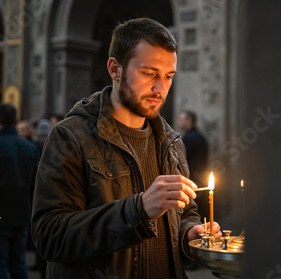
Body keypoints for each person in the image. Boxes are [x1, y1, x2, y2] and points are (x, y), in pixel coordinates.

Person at [31, 18, 221, 279]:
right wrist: (138, 210)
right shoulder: (70, 137)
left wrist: (190, 233)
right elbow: (50, 237)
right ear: (114, 68)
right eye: (149, 73)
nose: (160, 88)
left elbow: (185, 214)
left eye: (168, 76)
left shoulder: (171, 141)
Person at [0, 104, 40, 279]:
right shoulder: (30, 148)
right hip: (22, 214)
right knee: (18, 264)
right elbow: (36, 185)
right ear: (16, 121)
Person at [177, 111, 209, 219]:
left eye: (181, 120)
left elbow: (181, 161)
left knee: (192, 214)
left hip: (191, 181)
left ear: (189, 120)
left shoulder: (189, 139)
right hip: (201, 179)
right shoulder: (201, 137)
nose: (178, 122)